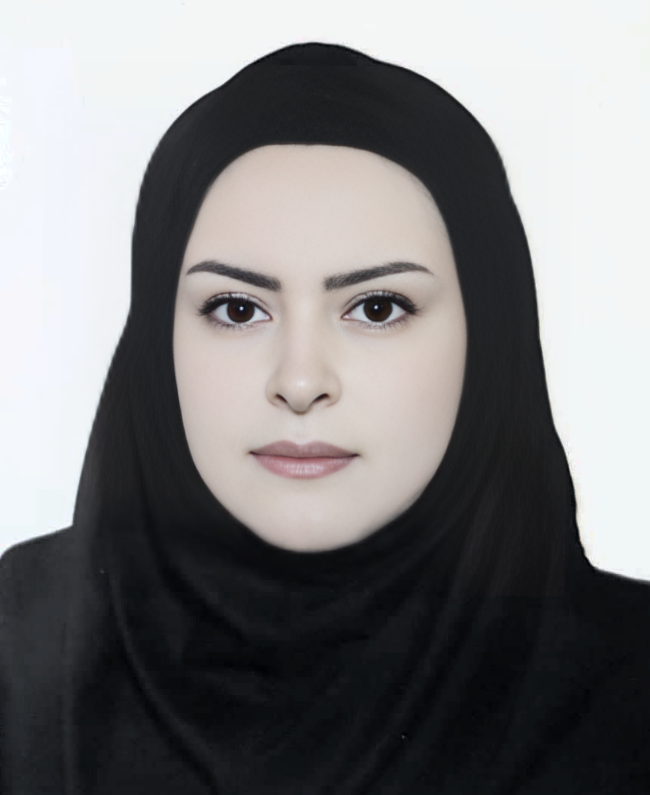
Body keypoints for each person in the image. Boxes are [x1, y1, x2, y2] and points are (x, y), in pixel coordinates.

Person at [1, 41, 648, 795]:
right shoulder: (16, 642)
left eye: (377, 308)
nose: (301, 381)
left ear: (489, 335)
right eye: (236, 309)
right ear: (156, 338)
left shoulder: (630, 680)